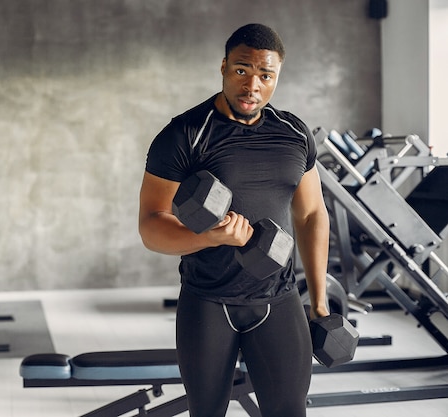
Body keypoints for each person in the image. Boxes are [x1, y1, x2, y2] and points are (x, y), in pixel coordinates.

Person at [138, 23, 330, 417]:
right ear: (224, 66)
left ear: (277, 76)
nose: (253, 85)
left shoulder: (294, 132)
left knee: (289, 411)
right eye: (242, 70)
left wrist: (320, 301)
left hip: (278, 298)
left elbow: (311, 215)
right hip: (208, 301)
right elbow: (151, 225)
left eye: (266, 74)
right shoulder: (184, 135)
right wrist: (208, 239)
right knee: (206, 412)